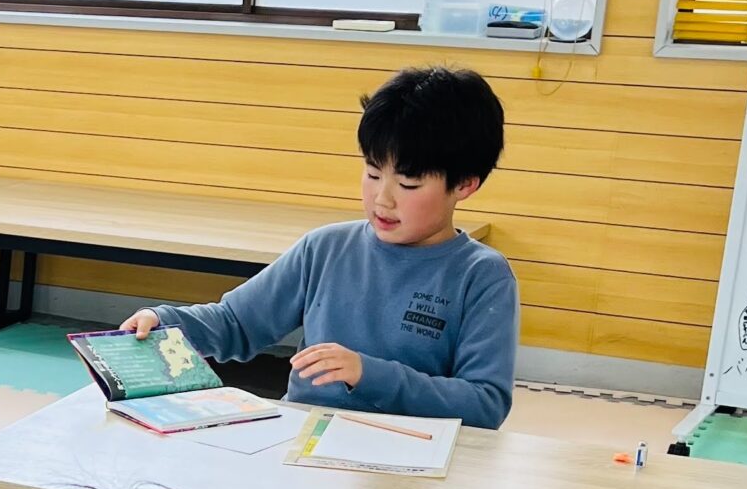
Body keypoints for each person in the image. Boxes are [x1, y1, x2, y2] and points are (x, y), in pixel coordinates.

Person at [123, 65, 517, 427]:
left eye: (408, 184)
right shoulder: (325, 249)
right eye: (372, 173)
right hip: (304, 442)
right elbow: (237, 322)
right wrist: (166, 323)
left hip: (414, 451)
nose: (383, 199)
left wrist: (368, 374)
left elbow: (484, 404)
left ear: (465, 184)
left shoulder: (481, 275)